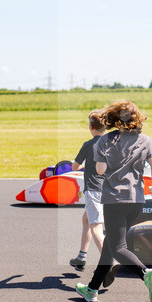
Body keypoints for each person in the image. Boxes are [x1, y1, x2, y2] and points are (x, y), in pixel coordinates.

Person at [75, 100, 152, 302]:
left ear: (115, 119)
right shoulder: (146, 140)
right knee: (109, 245)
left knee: (118, 248)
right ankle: (92, 289)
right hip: (136, 200)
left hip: (114, 199)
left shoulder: (106, 140)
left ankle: (147, 274)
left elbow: (99, 170)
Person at [68, 110, 107, 271]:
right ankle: (81, 257)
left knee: (96, 226)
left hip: (93, 190)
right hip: (107, 190)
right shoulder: (109, 144)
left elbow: (74, 167)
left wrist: (81, 165)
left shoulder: (88, 145)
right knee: (86, 220)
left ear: (91, 127)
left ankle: (108, 260)